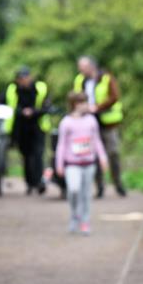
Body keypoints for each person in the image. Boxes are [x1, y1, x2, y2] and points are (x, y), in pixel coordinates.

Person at [0, 67, 53, 195]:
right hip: (20, 127)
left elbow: (47, 105)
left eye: (25, 77)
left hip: (38, 126)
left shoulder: (41, 88)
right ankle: (30, 183)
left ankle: (38, 182)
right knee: (26, 156)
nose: (23, 81)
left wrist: (33, 111)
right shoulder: (12, 89)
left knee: (38, 154)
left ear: (30, 77)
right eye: (20, 78)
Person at [56, 92, 109, 235]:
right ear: (75, 104)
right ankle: (74, 215)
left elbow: (96, 140)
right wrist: (59, 164)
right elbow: (61, 144)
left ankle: (85, 220)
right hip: (72, 163)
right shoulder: (66, 122)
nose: (87, 105)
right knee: (73, 190)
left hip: (89, 163)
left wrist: (103, 158)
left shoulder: (91, 120)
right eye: (84, 102)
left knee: (86, 194)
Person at [74, 55, 126, 197]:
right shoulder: (80, 80)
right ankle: (100, 186)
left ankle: (118, 183)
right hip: (89, 122)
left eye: (83, 67)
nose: (80, 70)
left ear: (91, 66)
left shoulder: (106, 78)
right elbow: (76, 97)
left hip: (108, 122)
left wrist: (98, 107)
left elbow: (115, 96)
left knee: (113, 152)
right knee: (93, 155)